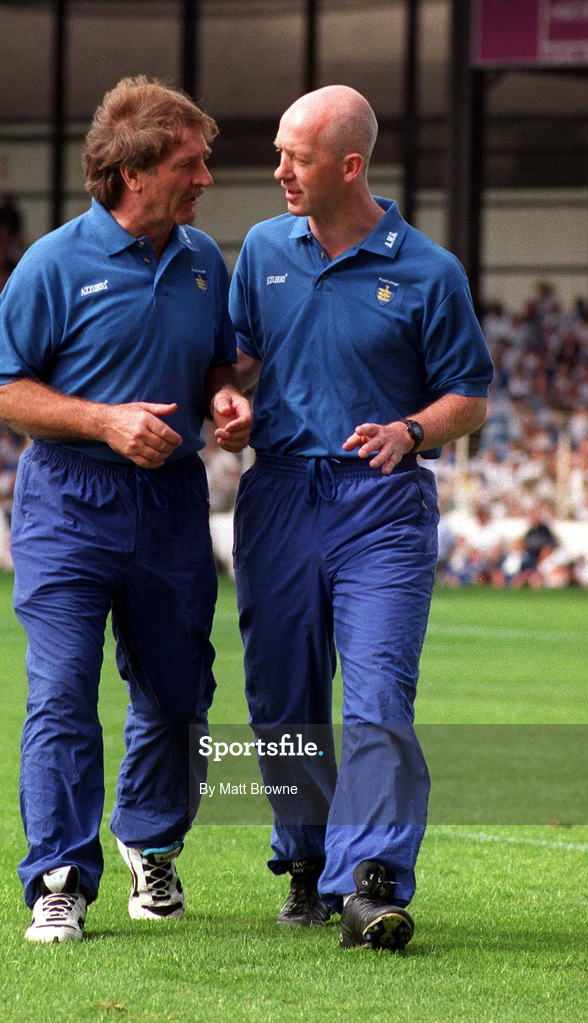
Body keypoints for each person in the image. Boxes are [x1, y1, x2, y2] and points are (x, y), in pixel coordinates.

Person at [0, 76, 251, 944]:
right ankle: (58, 876)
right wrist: (103, 420)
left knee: (177, 694)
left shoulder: (206, 260)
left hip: (170, 503)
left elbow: (218, 363)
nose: (204, 177)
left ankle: (150, 839)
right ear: (135, 172)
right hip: (68, 498)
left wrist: (224, 397)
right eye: (189, 162)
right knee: (61, 689)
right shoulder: (53, 262)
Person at [229, 85, 494, 951]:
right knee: (282, 699)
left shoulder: (429, 271)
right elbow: (233, 359)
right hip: (275, 498)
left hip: (379, 503)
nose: (278, 172)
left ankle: (369, 880)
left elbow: (470, 397)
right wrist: (225, 397)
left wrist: (411, 428)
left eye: (294, 158)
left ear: (349, 165)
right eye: (277, 152)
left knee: (378, 695)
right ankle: (304, 865)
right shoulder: (263, 249)